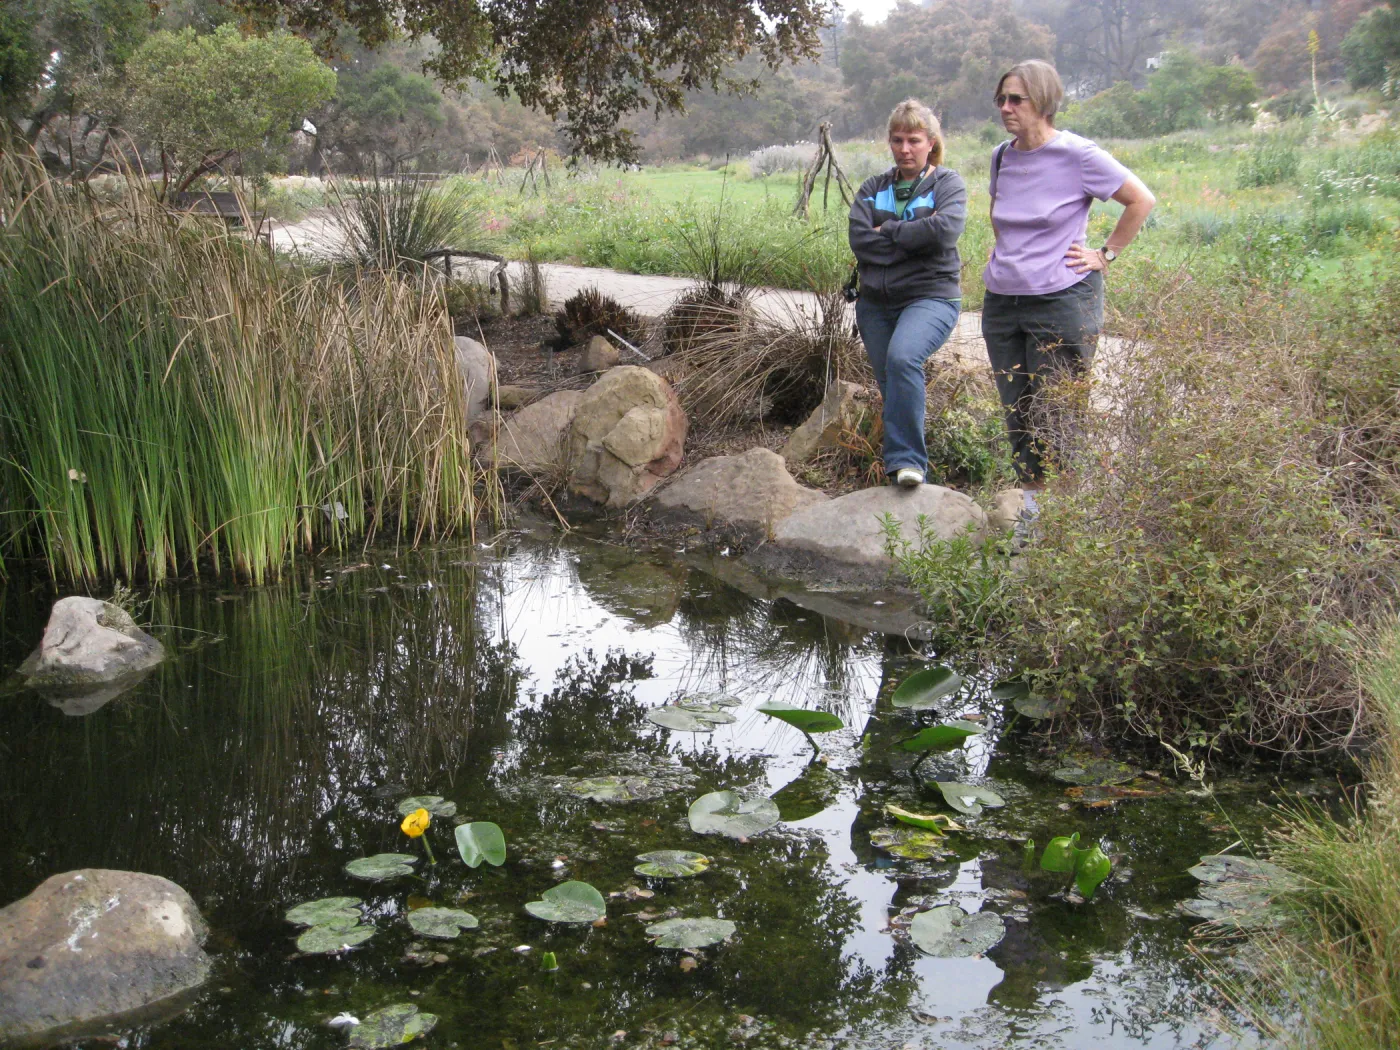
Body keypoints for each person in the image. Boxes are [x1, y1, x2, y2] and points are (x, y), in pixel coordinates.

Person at [982, 59, 1155, 525]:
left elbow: (1141, 199)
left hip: (1061, 301)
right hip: (1002, 303)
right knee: (1017, 412)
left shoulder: (1078, 154)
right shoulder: (1002, 156)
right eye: (1001, 99)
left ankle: (1067, 524)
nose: (1006, 107)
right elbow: (1004, 218)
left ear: (1044, 101)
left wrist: (1106, 254)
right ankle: (1035, 520)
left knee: (1057, 415)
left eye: (1016, 99)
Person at [848, 99, 967, 488]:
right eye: (897, 140)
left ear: (930, 142)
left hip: (931, 297)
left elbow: (945, 231)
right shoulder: (872, 187)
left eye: (914, 140)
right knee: (891, 383)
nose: (905, 149)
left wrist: (891, 230)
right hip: (875, 304)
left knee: (903, 360)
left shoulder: (947, 184)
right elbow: (861, 241)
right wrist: (915, 235)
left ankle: (907, 464)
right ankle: (900, 464)